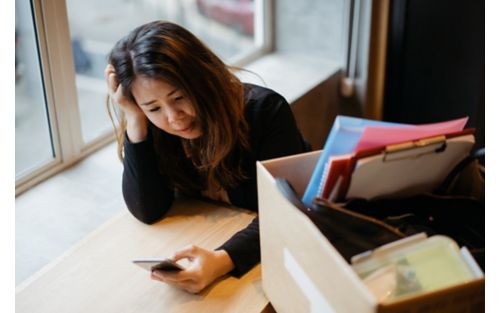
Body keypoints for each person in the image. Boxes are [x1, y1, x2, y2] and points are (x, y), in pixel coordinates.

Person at [105, 20, 310, 294]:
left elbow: (285, 212)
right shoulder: (155, 127)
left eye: (178, 97)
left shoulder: (265, 112)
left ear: (202, 79)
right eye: (153, 107)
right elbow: (147, 209)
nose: (173, 117)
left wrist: (220, 261)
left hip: (283, 253)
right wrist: (135, 119)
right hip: (222, 235)